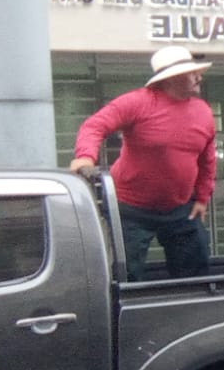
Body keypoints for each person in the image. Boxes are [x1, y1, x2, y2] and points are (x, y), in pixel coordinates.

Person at [71, 45, 216, 281]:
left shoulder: (203, 112)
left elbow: (207, 159)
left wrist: (202, 198)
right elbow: (94, 126)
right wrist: (85, 157)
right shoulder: (137, 102)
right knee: (125, 276)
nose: (199, 77)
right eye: (192, 73)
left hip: (180, 208)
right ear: (171, 78)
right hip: (130, 209)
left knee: (195, 274)